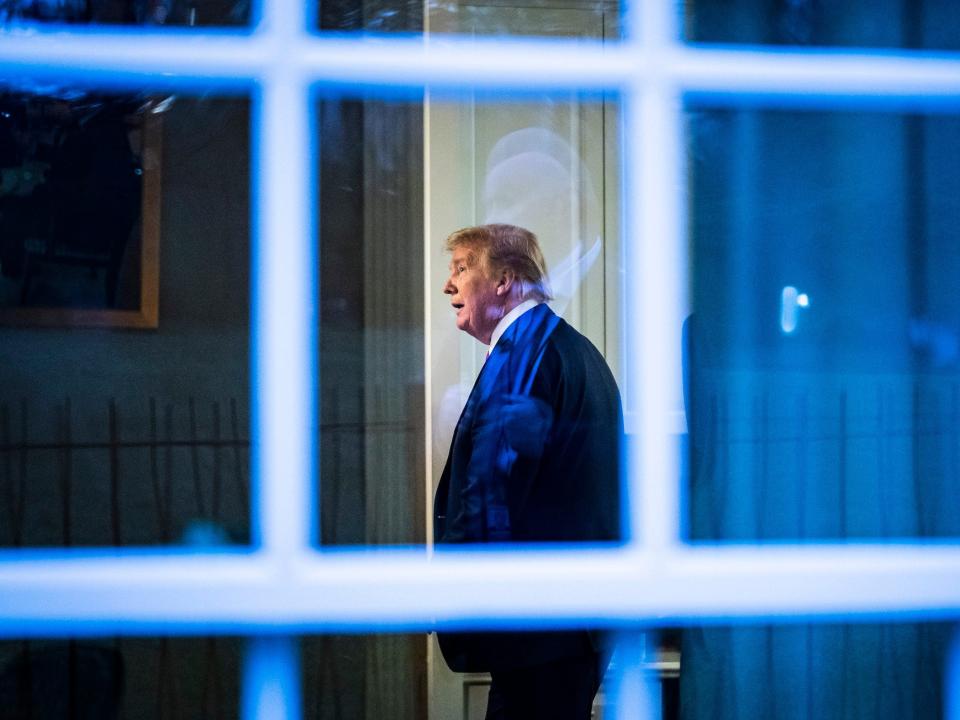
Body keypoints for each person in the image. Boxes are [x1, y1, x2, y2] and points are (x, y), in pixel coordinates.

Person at [433, 223, 623, 720]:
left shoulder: (523, 357)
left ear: (505, 281)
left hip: (542, 629)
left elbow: (493, 495)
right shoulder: (572, 350)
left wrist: (449, 596)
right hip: (568, 626)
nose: (448, 285)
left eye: (461, 268)